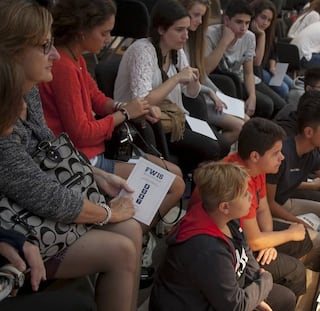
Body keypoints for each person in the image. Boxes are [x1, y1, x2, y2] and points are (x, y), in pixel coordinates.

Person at [0, 1, 142, 310]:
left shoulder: (29, 91)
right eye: (44, 46)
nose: (53, 53)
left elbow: (49, 150)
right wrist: (107, 213)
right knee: (122, 249)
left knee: (131, 227)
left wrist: (93, 174)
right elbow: (40, 190)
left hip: (37, 207)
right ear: (12, 53)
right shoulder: (4, 120)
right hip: (20, 227)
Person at [38, 0, 184, 229]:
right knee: (175, 185)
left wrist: (126, 107)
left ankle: (136, 229)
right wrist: (126, 112)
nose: (108, 39)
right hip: (84, 156)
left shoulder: (75, 60)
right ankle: (132, 232)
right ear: (81, 30)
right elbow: (82, 134)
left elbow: (97, 98)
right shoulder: (64, 68)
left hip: (93, 149)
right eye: (104, 32)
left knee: (174, 173)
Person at [150, 162, 296, 311]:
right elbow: (235, 306)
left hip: (227, 293)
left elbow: (245, 252)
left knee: (286, 296)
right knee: (284, 299)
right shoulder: (207, 248)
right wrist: (265, 281)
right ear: (225, 207)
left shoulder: (225, 218)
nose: (251, 196)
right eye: (245, 194)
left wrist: (256, 288)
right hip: (200, 304)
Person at [114, 0, 226, 176]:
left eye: (187, 30)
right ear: (161, 29)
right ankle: (188, 187)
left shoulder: (176, 50)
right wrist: (177, 78)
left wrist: (193, 80)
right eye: (179, 30)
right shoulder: (142, 50)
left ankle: (189, 181)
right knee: (211, 148)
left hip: (171, 117)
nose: (186, 36)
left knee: (223, 144)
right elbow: (142, 101)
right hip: (145, 124)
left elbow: (190, 93)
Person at [210, 118, 310, 297]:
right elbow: (253, 241)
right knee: (295, 271)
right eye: (276, 153)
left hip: (247, 236)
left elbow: (263, 208)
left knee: (303, 239)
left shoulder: (257, 169)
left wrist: (269, 242)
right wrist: (287, 235)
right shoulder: (238, 183)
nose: (282, 157)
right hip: (230, 247)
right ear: (255, 156)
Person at [266, 91, 320, 269]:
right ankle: (295, 268)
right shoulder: (282, 153)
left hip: (282, 203)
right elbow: (268, 203)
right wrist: (298, 222)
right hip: (269, 209)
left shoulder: (311, 153)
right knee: (318, 240)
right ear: (309, 132)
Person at [204, 0, 286, 119]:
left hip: (243, 78)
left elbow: (248, 72)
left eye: (247, 23)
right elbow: (205, 70)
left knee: (279, 104)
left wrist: (252, 96)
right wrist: (223, 43)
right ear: (226, 20)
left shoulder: (249, 37)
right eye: (239, 22)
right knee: (266, 104)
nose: (243, 28)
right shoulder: (210, 34)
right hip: (225, 81)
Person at [179, 0, 245, 144]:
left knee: (246, 119)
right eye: (196, 15)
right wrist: (210, 92)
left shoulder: (194, 41)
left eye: (202, 16)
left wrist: (218, 94)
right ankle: (214, 161)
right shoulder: (179, 44)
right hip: (192, 100)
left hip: (201, 95)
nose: (200, 21)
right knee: (241, 127)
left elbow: (201, 74)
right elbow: (186, 82)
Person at [250, 0, 293, 100]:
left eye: (269, 20)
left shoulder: (268, 32)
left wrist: (273, 67)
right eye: (263, 18)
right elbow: (256, 62)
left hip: (268, 66)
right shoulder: (251, 34)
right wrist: (262, 36)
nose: (265, 23)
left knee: (292, 84)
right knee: (284, 89)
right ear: (254, 15)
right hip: (257, 70)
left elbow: (273, 52)